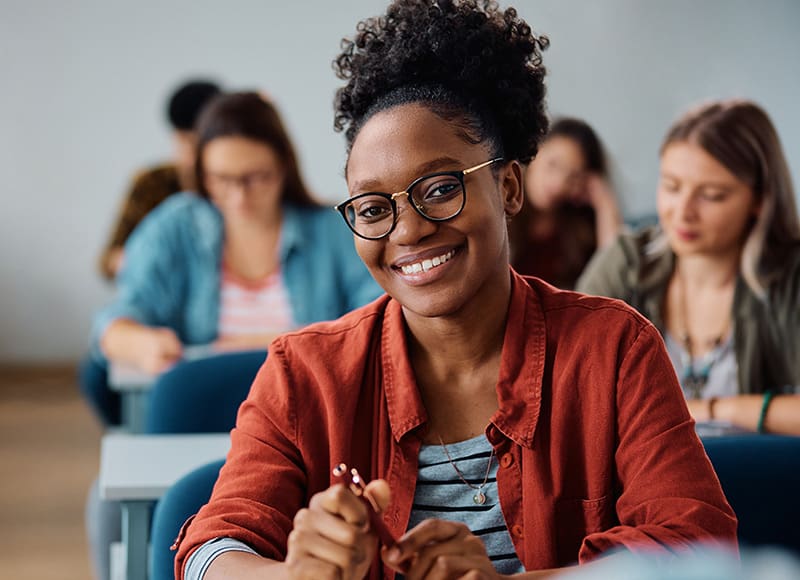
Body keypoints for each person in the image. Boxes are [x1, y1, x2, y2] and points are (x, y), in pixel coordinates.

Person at [174, 2, 736, 579]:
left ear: (510, 186)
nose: (409, 229)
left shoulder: (613, 349)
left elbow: (698, 549)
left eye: (440, 189)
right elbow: (209, 553)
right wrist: (291, 574)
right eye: (373, 208)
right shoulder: (304, 373)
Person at [82, 91, 382, 426]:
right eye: (222, 179)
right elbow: (118, 317)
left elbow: (381, 318)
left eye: (255, 178)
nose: (239, 197)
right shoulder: (175, 226)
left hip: (312, 421)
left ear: (283, 167)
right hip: (201, 422)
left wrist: (256, 344)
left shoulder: (332, 230)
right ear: (201, 173)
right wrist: (141, 342)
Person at [577, 99, 800, 436]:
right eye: (671, 186)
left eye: (711, 195)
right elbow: (563, 382)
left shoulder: (790, 275)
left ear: (759, 199)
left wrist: (712, 409)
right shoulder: (626, 261)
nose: (682, 212)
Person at [98, 79, 222, 280]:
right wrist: (142, 259)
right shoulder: (151, 183)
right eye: (184, 141)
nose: (192, 155)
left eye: (200, 143)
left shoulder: (232, 187)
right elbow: (107, 261)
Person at [509, 117, 621, 288]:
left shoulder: (576, 233)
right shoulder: (501, 208)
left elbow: (615, 277)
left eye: (573, 176)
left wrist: (604, 205)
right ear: (534, 152)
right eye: (553, 164)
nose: (558, 183)